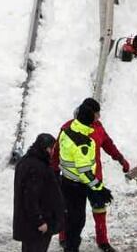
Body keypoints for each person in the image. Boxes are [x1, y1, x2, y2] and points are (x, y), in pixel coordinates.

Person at [51, 98, 128, 252]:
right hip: (74, 181)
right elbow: (57, 151)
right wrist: (54, 173)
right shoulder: (69, 128)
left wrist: (120, 158)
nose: (99, 116)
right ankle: (64, 237)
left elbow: (107, 144)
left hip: (94, 178)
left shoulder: (98, 127)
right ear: (90, 114)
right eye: (97, 113)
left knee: (99, 208)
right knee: (71, 212)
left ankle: (103, 241)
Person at [13, 133, 65, 252]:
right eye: (52, 148)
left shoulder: (27, 161)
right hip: (37, 226)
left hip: (30, 224)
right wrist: (40, 221)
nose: (53, 151)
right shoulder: (37, 167)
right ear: (46, 148)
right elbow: (30, 197)